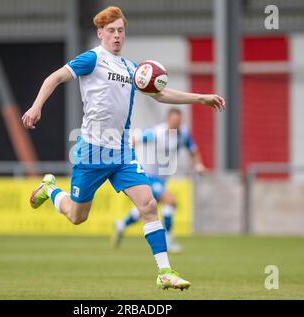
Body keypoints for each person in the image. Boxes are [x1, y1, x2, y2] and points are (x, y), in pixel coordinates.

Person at [21, 6, 225, 290]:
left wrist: (200, 98)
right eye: (112, 31)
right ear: (100, 33)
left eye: (121, 31)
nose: (117, 36)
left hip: (121, 153)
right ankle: (50, 190)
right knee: (78, 216)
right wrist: (36, 106)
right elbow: (54, 78)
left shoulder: (132, 69)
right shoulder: (92, 59)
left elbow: (160, 93)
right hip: (92, 151)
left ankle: (165, 272)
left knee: (149, 204)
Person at [112, 108, 207, 253]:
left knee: (145, 209)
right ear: (168, 119)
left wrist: (199, 165)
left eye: (178, 120)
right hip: (149, 176)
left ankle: (121, 224)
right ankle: (168, 241)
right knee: (170, 201)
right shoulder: (156, 133)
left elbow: (193, 151)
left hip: (162, 179)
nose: (176, 123)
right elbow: (135, 140)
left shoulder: (183, 134)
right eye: (173, 120)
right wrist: (127, 159)